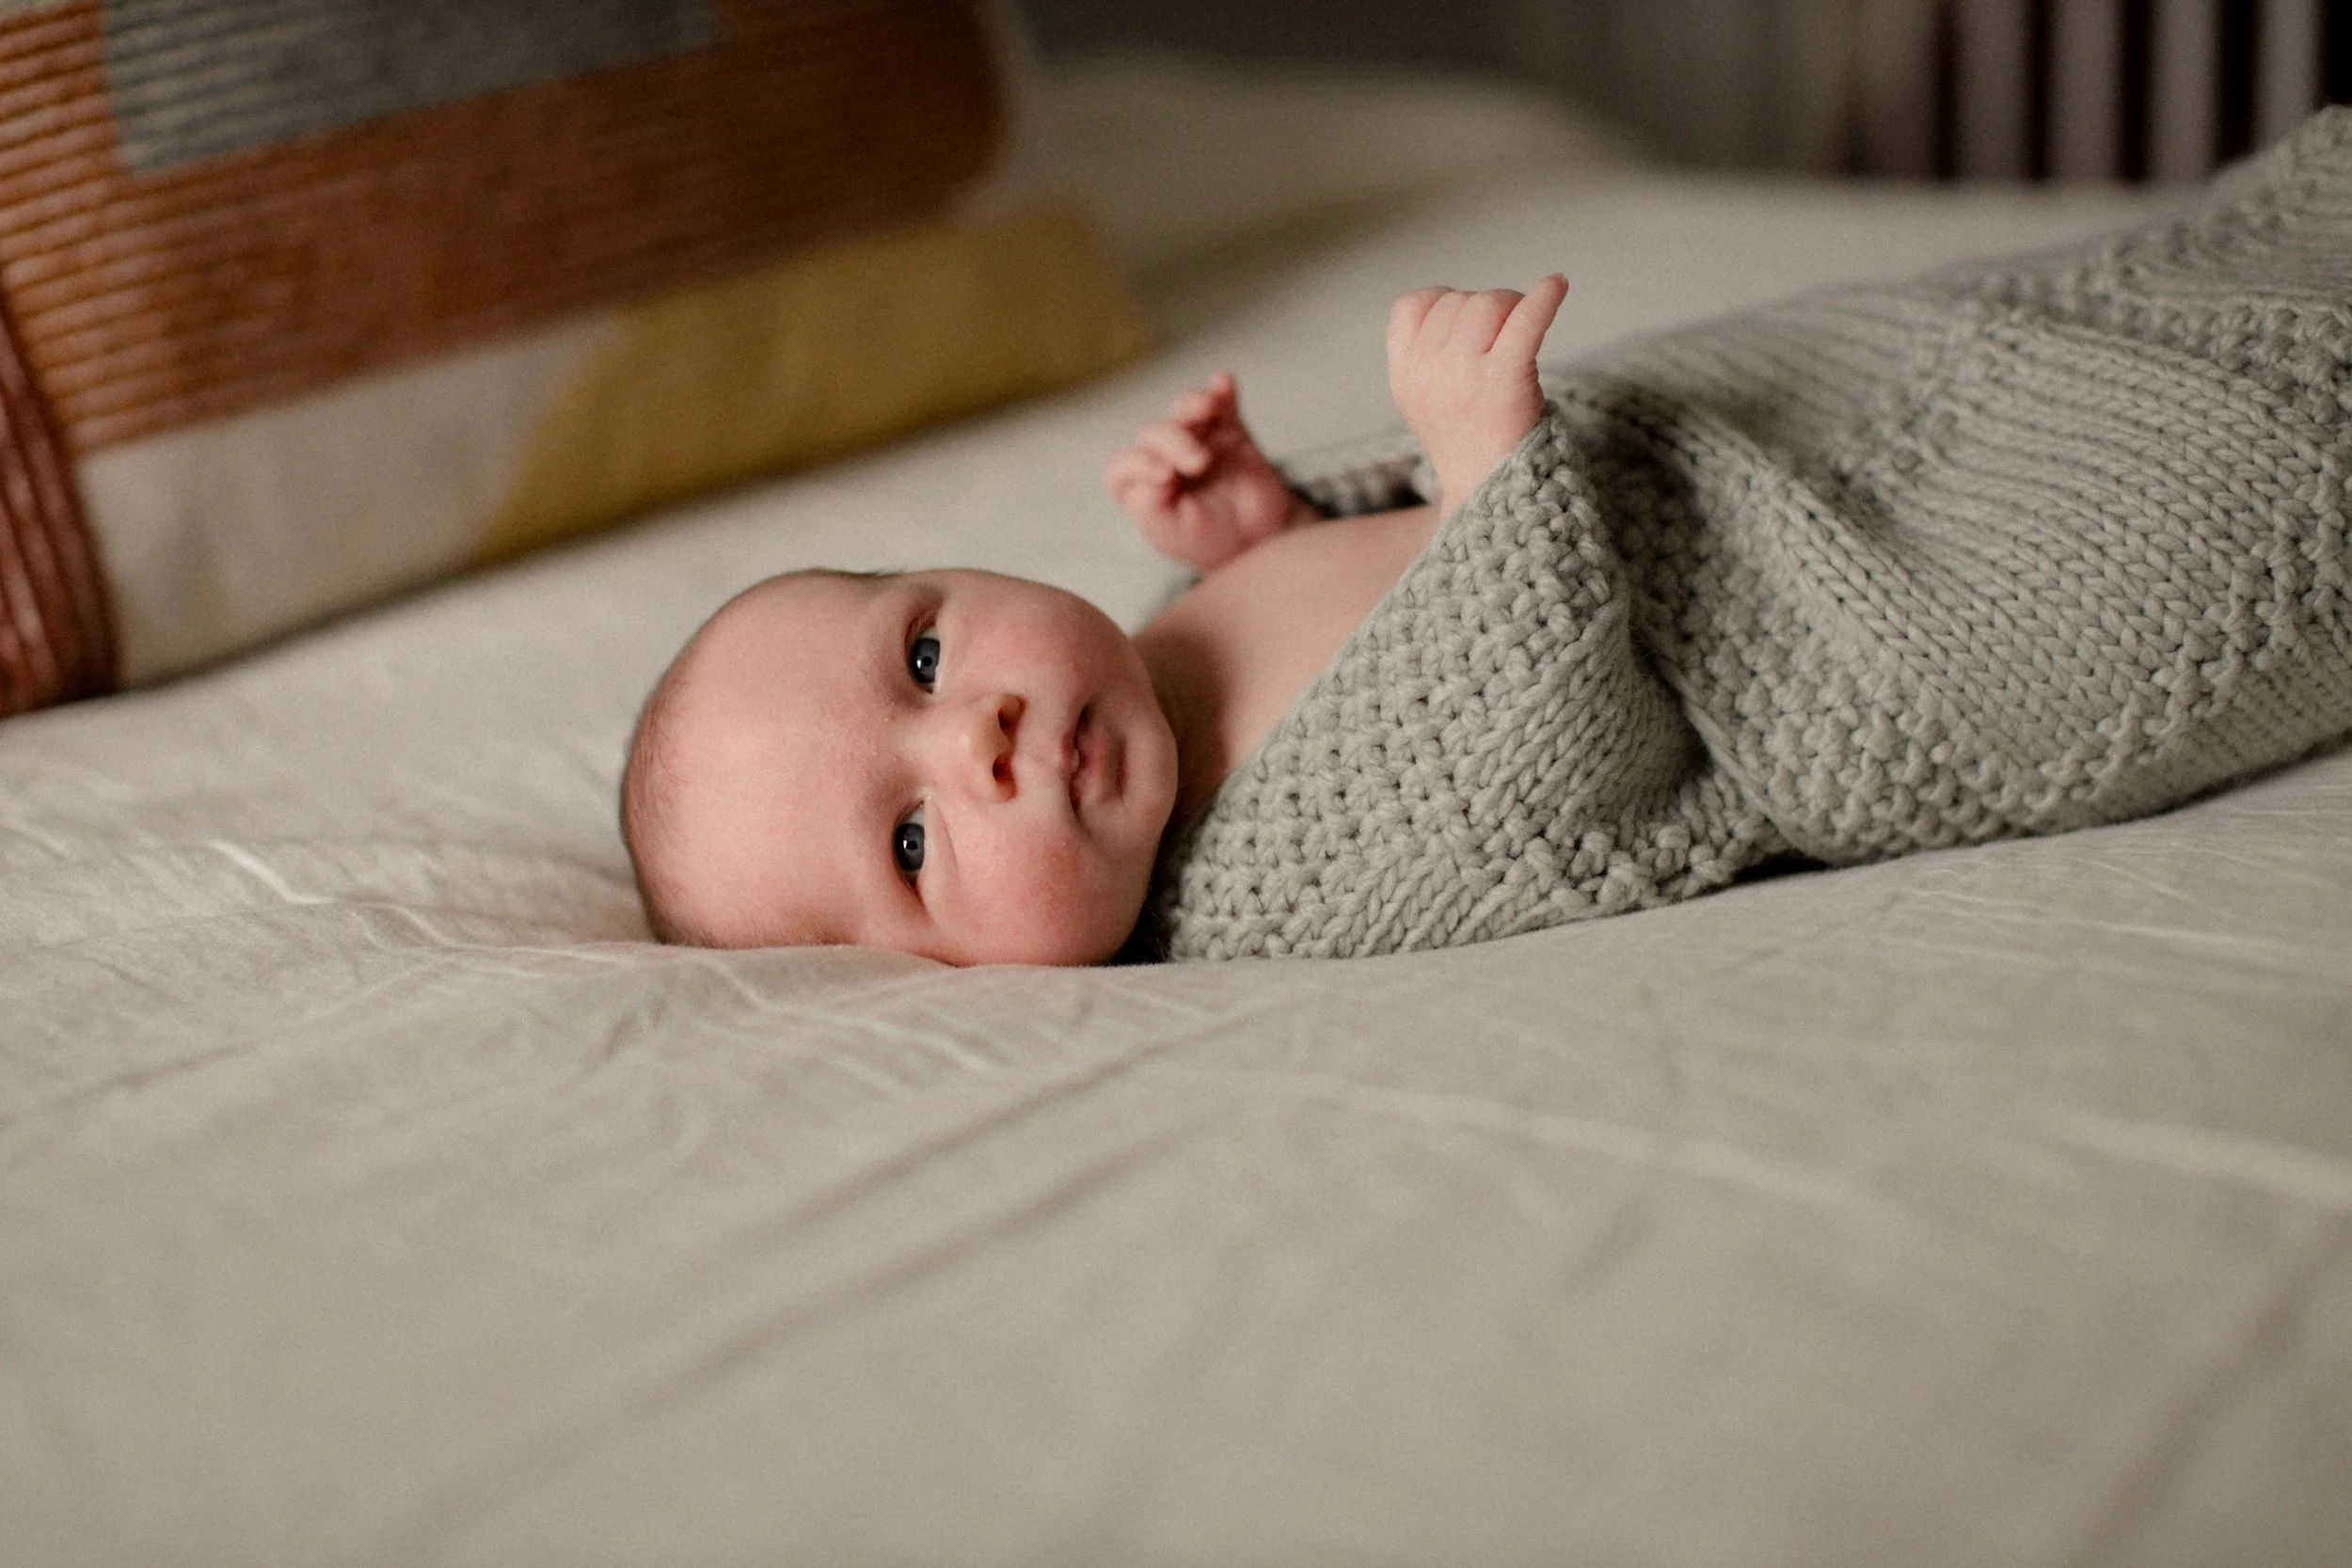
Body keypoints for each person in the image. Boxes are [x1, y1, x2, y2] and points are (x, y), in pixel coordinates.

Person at [619, 276, 1574, 965]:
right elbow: (1547, 762)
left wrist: (1272, 534)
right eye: (909, 842)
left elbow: (1363, 618)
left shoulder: (1161, 658)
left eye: (923, 656)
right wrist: (1487, 469)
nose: (971, 734)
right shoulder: (1265, 891)